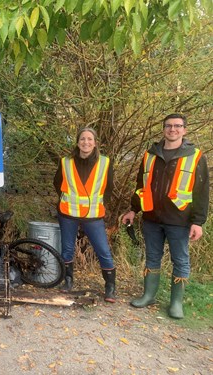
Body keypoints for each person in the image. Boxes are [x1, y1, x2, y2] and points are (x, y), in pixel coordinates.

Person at [122, 114, 209, 319]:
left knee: (180, 261)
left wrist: (198, 222)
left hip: (180, 219)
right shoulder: (150, 154)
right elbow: (140, 186)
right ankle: (148, 295)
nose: (172, 129)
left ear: (184, 130)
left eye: (177, 126)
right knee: (152, 257)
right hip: (152, 217)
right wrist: (134, 209)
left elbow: (202, 191)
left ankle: (176, 303)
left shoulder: (195, 156)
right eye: (169, 126)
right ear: (163, 129)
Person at [53, 127, 117, 302]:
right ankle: (68, 280)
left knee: (103, 250)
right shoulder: (66, 161)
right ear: (77, 142)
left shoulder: (105, 162)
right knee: (67, 248)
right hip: (68, 212)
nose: (86, 142)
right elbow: (57, 183)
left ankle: (110, 286)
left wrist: (97, 202)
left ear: (95, 143)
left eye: (90, 139)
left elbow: (109, 187)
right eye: (82, 139)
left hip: (93, 214)